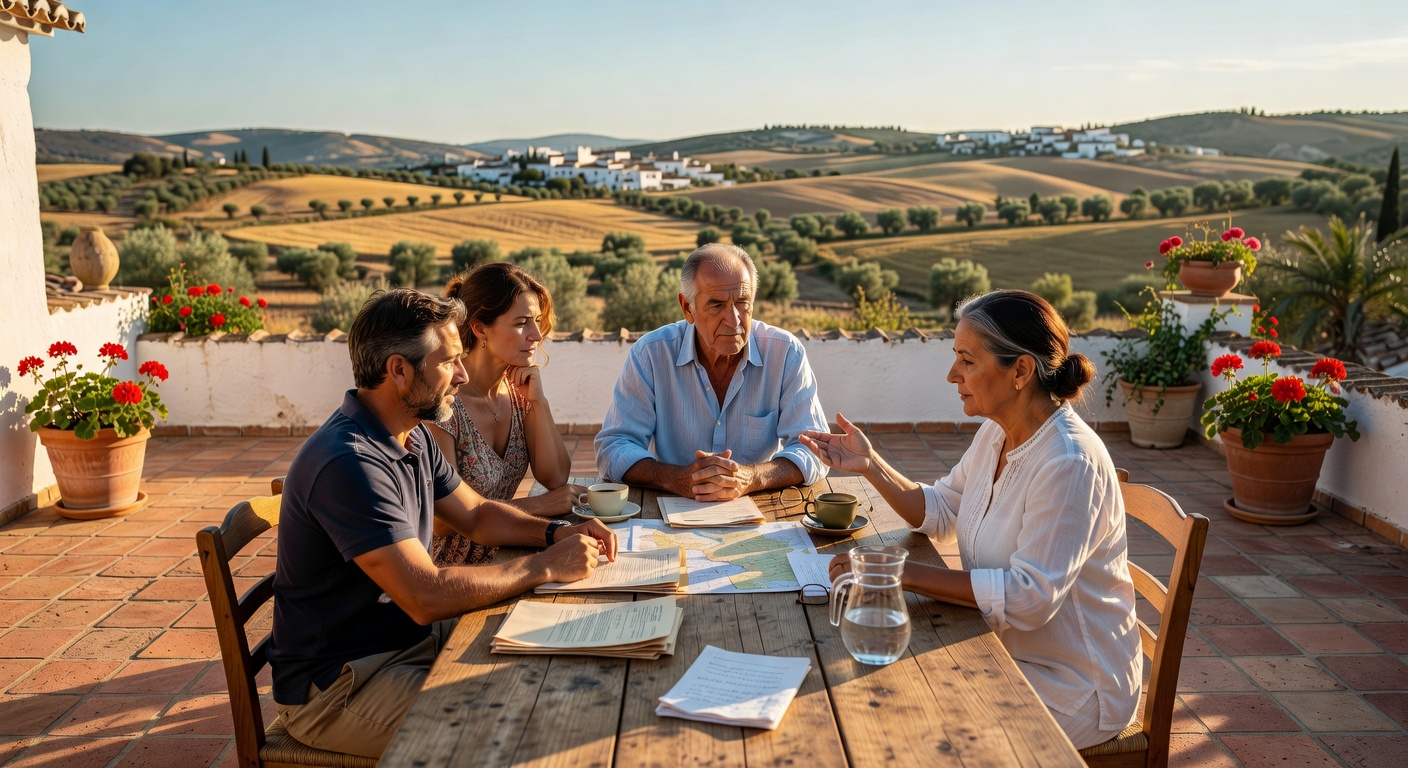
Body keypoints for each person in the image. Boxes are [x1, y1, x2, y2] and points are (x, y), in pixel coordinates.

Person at [269, 288, 617, 759]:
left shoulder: (409, 433)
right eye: (449, 361)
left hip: (399, 643)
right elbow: (425, 596)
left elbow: (475, 515)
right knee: (516, 723)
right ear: (398, 370)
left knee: (554, 665)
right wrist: (544, 566)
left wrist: (556, 533)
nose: (462, 374)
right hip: (342, 684)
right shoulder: (350, 463)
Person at [800, 289, 1140, 750]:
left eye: (967, 360)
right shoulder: (995, 435)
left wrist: (894, 571)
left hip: (1075, 685)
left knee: (906, 726)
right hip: (1001, 651)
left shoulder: (1068, 461)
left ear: (1020, 370)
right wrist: (871, 464)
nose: (951, 374)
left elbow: (1029, 599)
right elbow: (941, 509)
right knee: (880, 695)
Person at [595, 243, 828, 501]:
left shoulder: (785, 353)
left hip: (757, 506)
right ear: (687, 308)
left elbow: (814, 451)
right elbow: (613, 448)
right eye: (716, 305)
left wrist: (751, 477)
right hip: (673, 505)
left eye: (742, 302)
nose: (734, 319)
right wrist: (676, 478)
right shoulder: (651, 354)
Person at [429, 263, 584, 566]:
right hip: (451, 578)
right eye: (521, 322)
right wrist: (537, 505)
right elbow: (443, 521)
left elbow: (554, 477)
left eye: (537, 321)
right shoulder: (444, 405)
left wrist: (539, 403)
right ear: (479, 327)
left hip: (509, 556)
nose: (537, 335)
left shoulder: (517, 394)